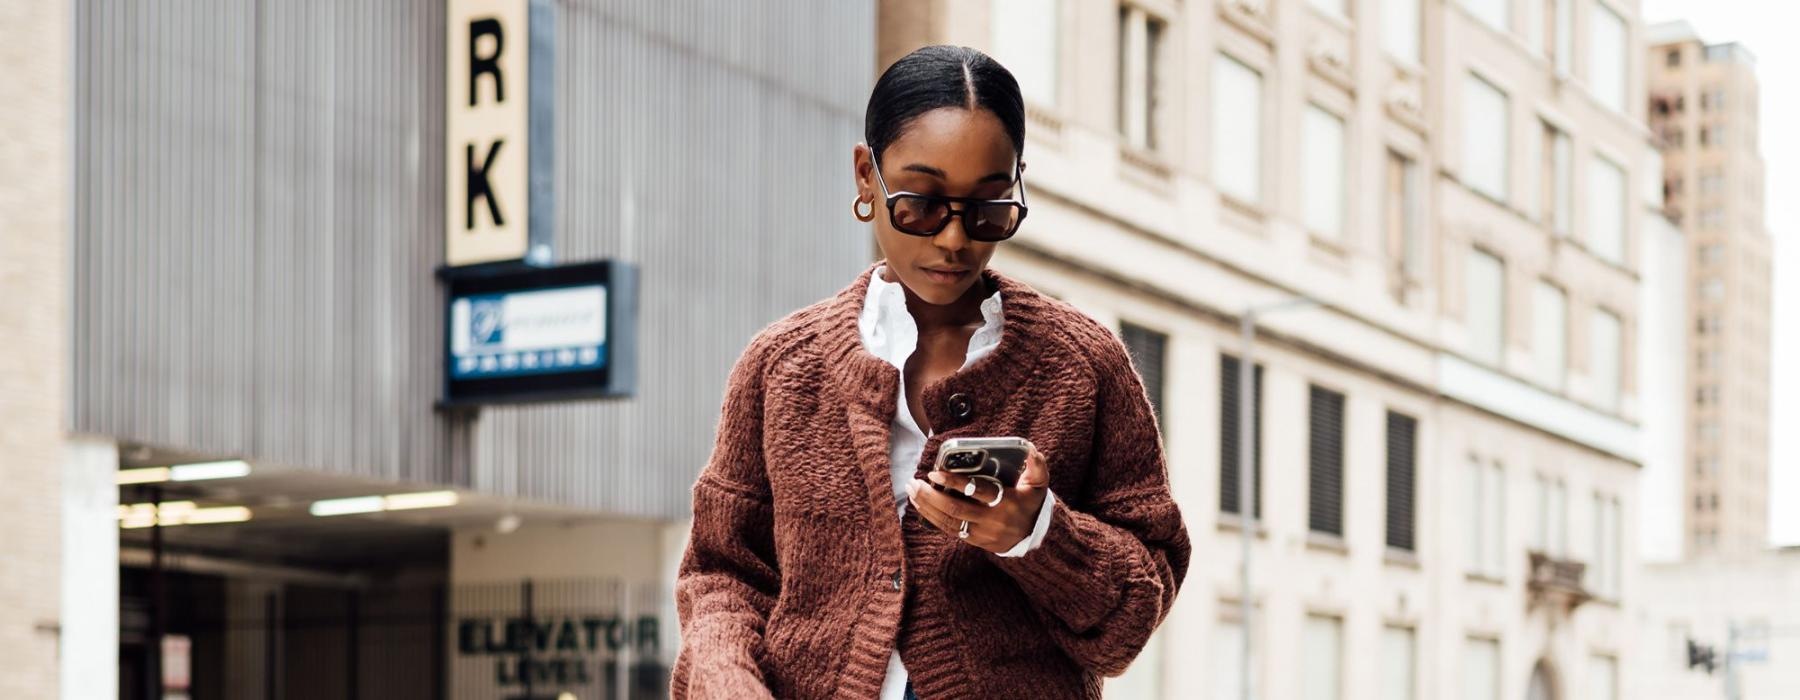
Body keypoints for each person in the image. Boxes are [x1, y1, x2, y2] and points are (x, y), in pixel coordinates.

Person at [672, 44, 1190, 700]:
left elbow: (1135, 610)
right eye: (921, 203)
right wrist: (727, 684)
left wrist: (1038, 533)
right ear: (867, 177)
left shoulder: (1083, 366)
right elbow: (723, 574)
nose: (954, 239)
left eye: (988, 208)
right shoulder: (781, 367)